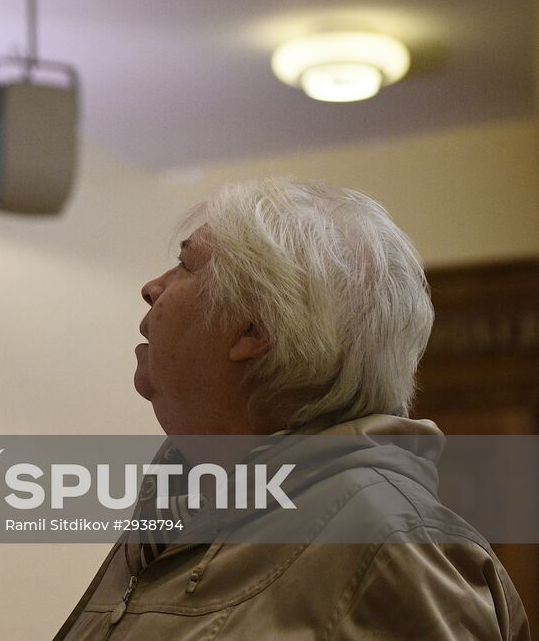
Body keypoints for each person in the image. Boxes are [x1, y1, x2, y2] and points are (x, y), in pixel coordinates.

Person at [53, 178, 529, 640]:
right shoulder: (178, 512)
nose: (152, 287)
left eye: (186, 265)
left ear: (253, 331)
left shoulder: (392, 544)